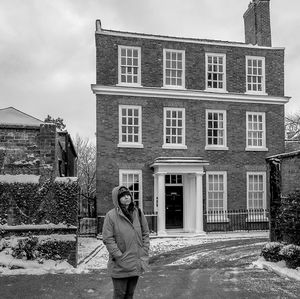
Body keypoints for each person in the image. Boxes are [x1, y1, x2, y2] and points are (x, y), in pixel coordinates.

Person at [102, 185, 150, 299]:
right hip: (120, 264)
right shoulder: (111, 216)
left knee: (129, 295)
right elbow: (108, 238)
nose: (127, 198)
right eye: (123, 196)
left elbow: (145, 233)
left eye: (128, 195)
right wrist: (119, 256)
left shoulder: (138, 212)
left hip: (136, 262)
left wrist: (144, 250)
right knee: (119, 295)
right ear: (117, 199)